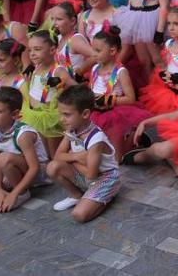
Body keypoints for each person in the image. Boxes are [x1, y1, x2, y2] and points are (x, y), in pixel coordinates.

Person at [47, 84, 122, 223]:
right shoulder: (72, 129)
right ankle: (76, 196)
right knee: (52, 167)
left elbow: (91, 174)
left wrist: (70, 158)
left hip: (104, 177)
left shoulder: (95, 139)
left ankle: (106, 196)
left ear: (85, 114)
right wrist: (77, 157)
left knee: (79, 215)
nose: (62, 119)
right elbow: (57, 156)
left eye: (67, 115)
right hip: (86, 174)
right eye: (61, 114)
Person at [0, 87, 49, 212]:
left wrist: (14, 194)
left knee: (4, 159)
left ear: (14, 114)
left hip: (36, 174)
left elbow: (34, 168)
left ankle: (22, 193)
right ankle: (10, 189)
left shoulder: (22, 135)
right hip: (11, 168)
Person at [87, 26, 150, 159]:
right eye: (93, 50)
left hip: (114, 115)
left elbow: (130, 98)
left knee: (118, 158)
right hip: (96, 113)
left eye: (98, 51)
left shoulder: (121, 72)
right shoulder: (94, 69)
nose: (94, 54)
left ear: (112, 50)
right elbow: (91, 89)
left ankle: (134, 137)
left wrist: (108, 99)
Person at [138, 5, 178, 114]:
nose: (171, 28)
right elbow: (166, 65)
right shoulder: (168, 44)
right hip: (167, 90)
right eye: (169, 23)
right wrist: (164, 74)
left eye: (176, 24)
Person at [22, 30, 75, 156]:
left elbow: (76, 88)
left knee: (54, 154)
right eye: (30, 50)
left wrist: (61, 85)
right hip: (32, 115)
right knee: (41, 152)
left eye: (37, 49)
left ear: (52, 50)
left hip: (49, 119)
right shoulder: (37, 67)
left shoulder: (58, 71)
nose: (32, 54)